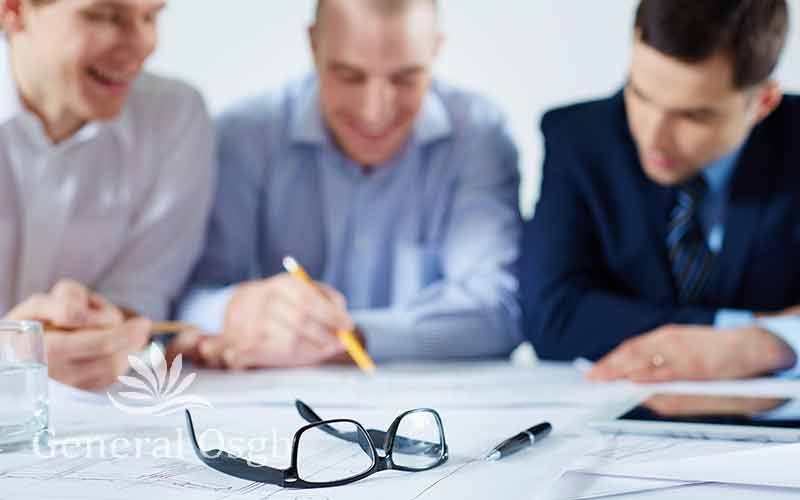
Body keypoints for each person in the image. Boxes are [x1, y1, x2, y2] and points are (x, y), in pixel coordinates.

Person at [174, 0, 522, 369]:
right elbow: (185, 302)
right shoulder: (245, 135)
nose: (375, 111)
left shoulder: (478, 134)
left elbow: (499, 310)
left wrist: (346, 339)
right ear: (314, 45)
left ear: (435, 49)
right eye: (349, 76)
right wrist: (237, 309)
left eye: (405, 78)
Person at [520, 0, 800, 382]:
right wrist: (752, 339)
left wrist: (766, 344)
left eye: (693, 116)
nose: (653, 136)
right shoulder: (578, 140)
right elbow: (553, 318)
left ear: (764, 102)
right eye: (640, 94)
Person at [0, 0, 215, 389]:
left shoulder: (173, 118)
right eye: (104, 16)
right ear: (13, 9)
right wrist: (9, 356)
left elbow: (142, 293)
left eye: (150, 16)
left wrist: (105, 326)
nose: (144, 44)